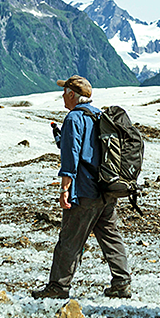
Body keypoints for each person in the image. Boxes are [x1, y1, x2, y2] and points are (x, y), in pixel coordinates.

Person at [32, 75, 132, 299]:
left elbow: (71, 157)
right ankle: (122, 282)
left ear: (71, 94)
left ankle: (58, 287)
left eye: (64, 92)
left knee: (70, 239)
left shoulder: (73, 119)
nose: (62, 96)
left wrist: (64, 189)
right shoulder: (99, 116)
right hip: (106, 189)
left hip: (85, 191)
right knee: (110, 236)